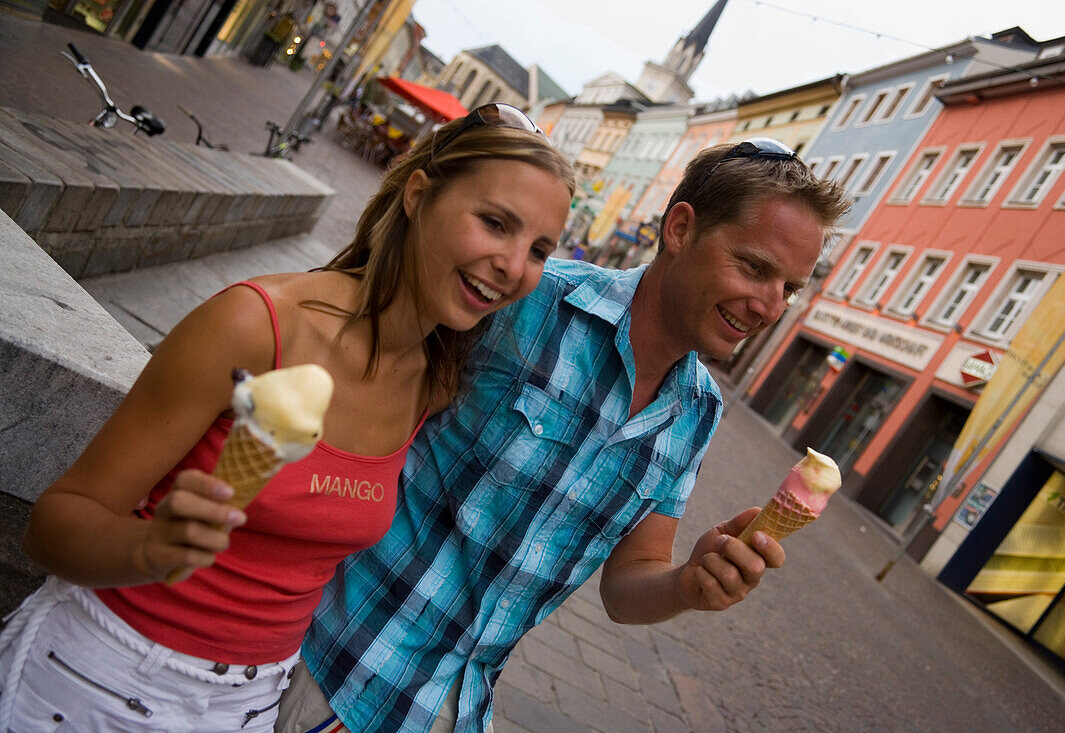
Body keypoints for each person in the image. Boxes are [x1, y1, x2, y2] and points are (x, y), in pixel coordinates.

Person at [0, 104, 574, 731]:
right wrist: (149, 546)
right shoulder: (254, 324)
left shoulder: (432, 383)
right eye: (495, 223)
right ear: (418, 195)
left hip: (248, 705)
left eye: (539, 250)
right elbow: (52, 527)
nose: (515, 267)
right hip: (99, 673)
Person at [276, 138, 851, 732]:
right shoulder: (529, 302)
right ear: (680, 228)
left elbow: (627, 586)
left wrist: (686, 584)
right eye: (754, 267)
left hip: (453, 711)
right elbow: (345, 386)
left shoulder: (697, 412)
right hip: (329, 672)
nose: (769, 305)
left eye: (790, 288)